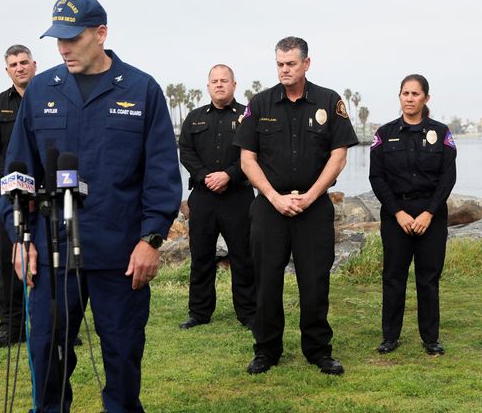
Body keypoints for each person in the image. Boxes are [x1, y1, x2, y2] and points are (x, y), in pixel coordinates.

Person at [0, 0, 181, 412]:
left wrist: (150, 240)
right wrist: (19, 237)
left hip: (120, 254)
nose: (63, 47)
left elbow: (162, 177)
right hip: (49, 252)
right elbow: (17, 173)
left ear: (100, 34)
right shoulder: (42, 89)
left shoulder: (142, 90)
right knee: (46, 352)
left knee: (122, 354)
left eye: (73, 37)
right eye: (57, 39)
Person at [234, 36, 358, 375]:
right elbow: (247, 159)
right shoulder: (259, 104)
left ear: (306, 63)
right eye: (279, 64)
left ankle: (318, 351)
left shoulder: (328, 101)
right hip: (269, 207)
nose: (284, 69)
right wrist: (274, 197)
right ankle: (266, 351)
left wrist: (312, 195)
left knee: (315, 282)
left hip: (313, 206)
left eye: (290, 63)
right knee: (266, 281)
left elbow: (339, 155)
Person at [368, 74, 457, 356]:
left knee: (428, 278)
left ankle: (430, 338)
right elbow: (377, 177)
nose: (410, 98)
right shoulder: (384, 133)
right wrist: (398, 213)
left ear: (426, 98)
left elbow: (447, 177)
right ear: (400, 97)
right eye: (405, 93)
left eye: (415, 94)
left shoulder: (441, 133)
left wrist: (430, 212)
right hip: (397, 215)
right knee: (393, 277)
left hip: (431, 215)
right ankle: (390, 337)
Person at [178, 64, 256, 330]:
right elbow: (185, 151)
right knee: (200, 255)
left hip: (238, 196)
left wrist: (229, 176)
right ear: (208, 86)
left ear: (234, 85)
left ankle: (248, 312)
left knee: (243, 256)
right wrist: (205, 176)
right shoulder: (195, 117)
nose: (219, 85)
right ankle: (199, 312)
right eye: (215, 81)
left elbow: (254, 151)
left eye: (225, 80)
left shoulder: (248, 116)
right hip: (203, 196)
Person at [0, 44, 36, 347]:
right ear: (7, 70)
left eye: (24, 62)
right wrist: (14, 182)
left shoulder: (51, 100)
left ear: (34, 64)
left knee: (51, 261)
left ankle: (55, 323)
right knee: (6, 261)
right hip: (6, 193)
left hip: (43, 193)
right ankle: (11, 328)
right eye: (13, 64)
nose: (19, 67)